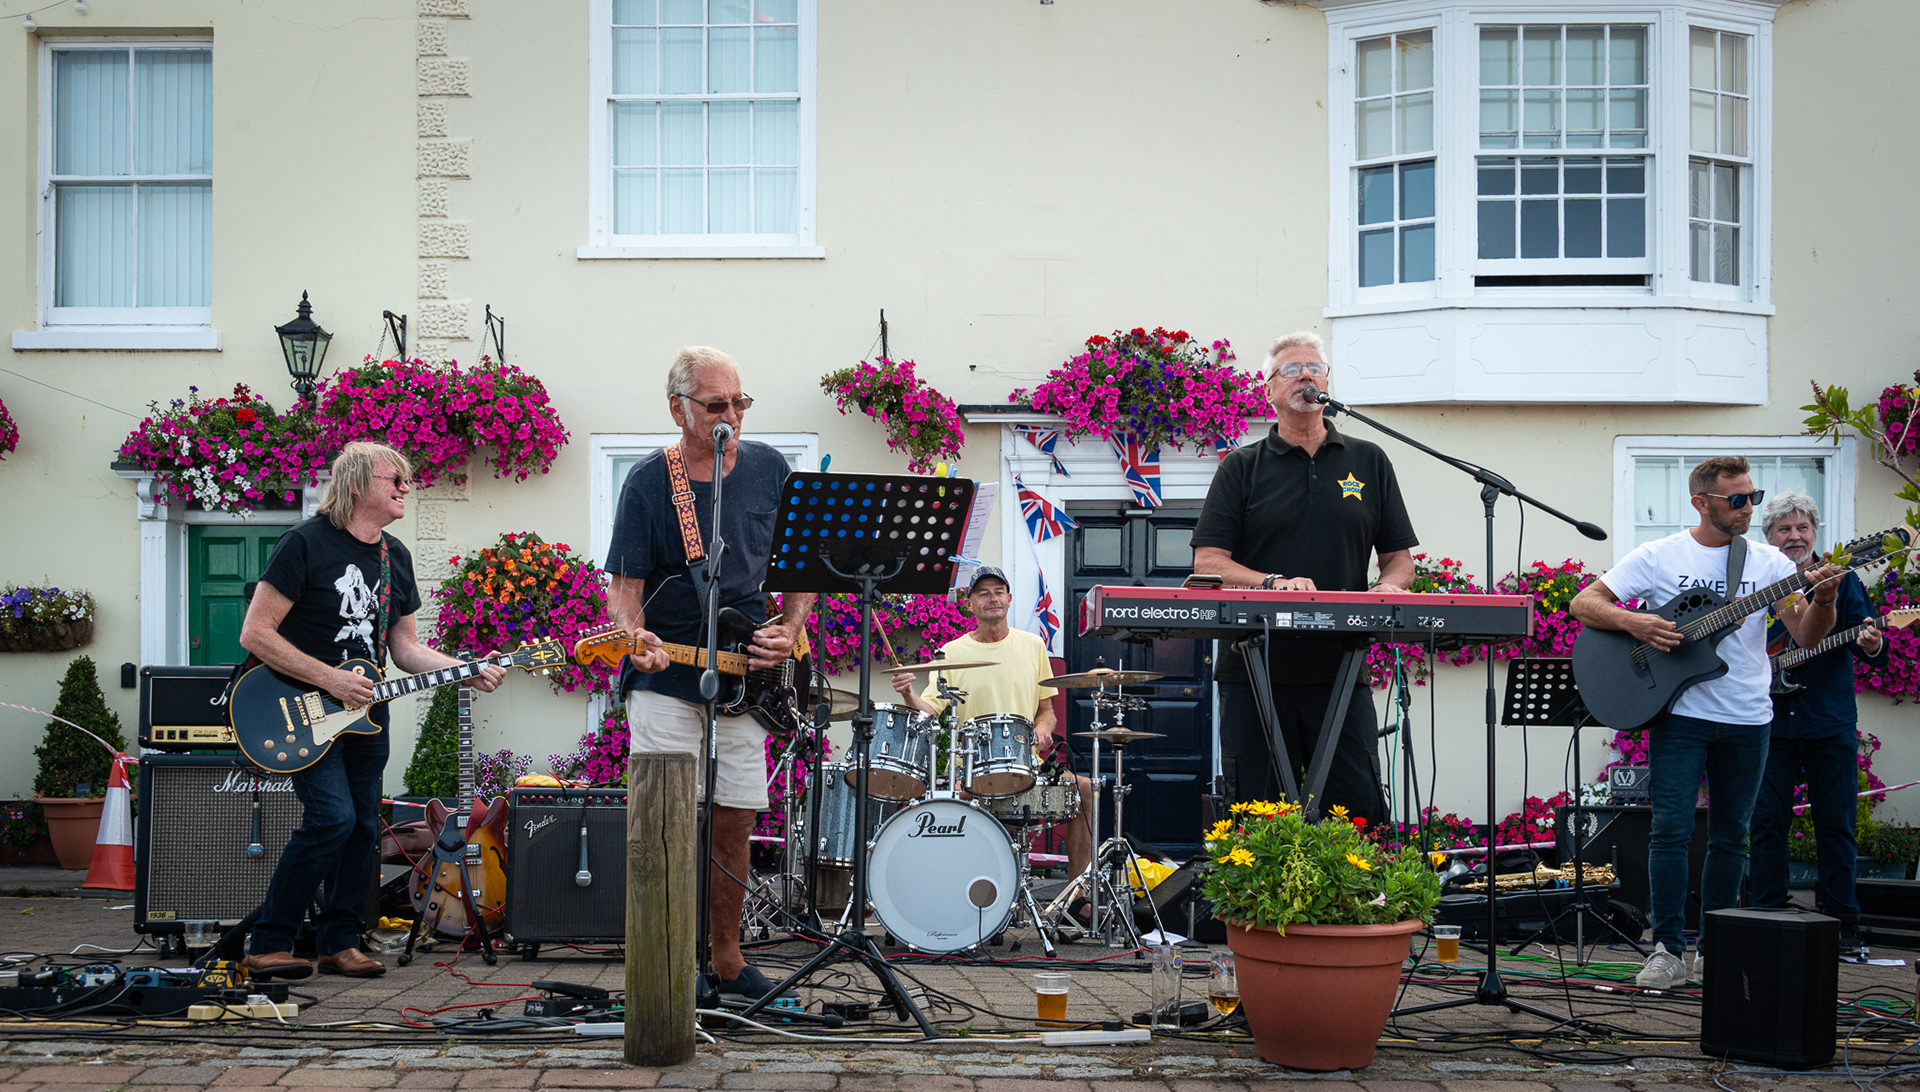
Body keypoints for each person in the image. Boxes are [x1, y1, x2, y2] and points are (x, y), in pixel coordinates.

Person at [239, 442, 507, 981]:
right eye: (396, 478)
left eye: (408, 479)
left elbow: (404, 649)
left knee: (363, 827)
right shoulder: (304, 543)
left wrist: (465, 667)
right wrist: (328, 677)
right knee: (331, 818)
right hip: (300, 709)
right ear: (359, 483)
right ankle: (268, 940)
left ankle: (340, 942)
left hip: (364, 714)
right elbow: (256, 633)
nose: (406, 486)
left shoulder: (395, 556)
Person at [1569, 456, 1839, 990]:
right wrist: (1636, 621)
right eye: (1737, 500)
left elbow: (1805, 636)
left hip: (1747, 715)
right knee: (1669, 832)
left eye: (1752, 497)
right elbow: (1585, 602)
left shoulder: (1768, 565)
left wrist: (1825, 600)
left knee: (1732, 837)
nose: (1748, 508)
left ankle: (1717, 945)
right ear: (1701, 502)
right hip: (1680, 714)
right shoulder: (1659, 555)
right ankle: (1667, 950)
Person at [606, 346, 814, 1002]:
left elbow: (799, 570)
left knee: (734, 819)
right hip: (670, 676)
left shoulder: (770, 469)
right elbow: (625, 587)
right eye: (717, 405)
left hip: (749, 681)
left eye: (740, 403)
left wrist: (793, 627)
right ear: (679, 408)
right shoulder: (648, 480)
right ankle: (667, 960)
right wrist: (633, 635)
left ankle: (728, 957)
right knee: (666, 819)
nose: (732, 416)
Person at [1191, 331, 1416, 826]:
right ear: (1268, 389)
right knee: (1258, 813)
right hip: (1254, 667)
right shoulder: (1240, 467)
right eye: (1292, 369)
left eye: (1315, 368)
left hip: (1341, 663)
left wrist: (1389, 587)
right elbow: (1208, 562)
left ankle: (1364, 904)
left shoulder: (1369, 460)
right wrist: (1271, 583)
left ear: (1328, 384)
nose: (1306, 376)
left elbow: (1399, 558)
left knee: (1356, 808)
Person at [888, 567, 1094, 885]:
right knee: (953, 810)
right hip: (971, 774)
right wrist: (907, 693)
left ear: (1009, 599)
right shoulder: (952, 653)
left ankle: (1077, 892)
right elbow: (929, 710)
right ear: (969, 604)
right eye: (983, 593)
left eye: (998, 591)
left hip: (1027, 769)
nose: (992, 598)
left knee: (1083, 789)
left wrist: (1042, 729)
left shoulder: (1033, 645)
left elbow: (1046, 711)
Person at [1749, 491, 1886, 958]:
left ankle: (1843, 926)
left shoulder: (1842, 578)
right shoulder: (1759, 579)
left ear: (1815, 532)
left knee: (1837, 824)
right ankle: (1764, 916)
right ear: (1768, 536)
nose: (1794, 537)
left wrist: (1869, 643)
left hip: (1828, 718)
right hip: (1769, 718)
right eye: (1784, 529)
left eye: (1802, 527)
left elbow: (1869, 639)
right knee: (1767, 822)